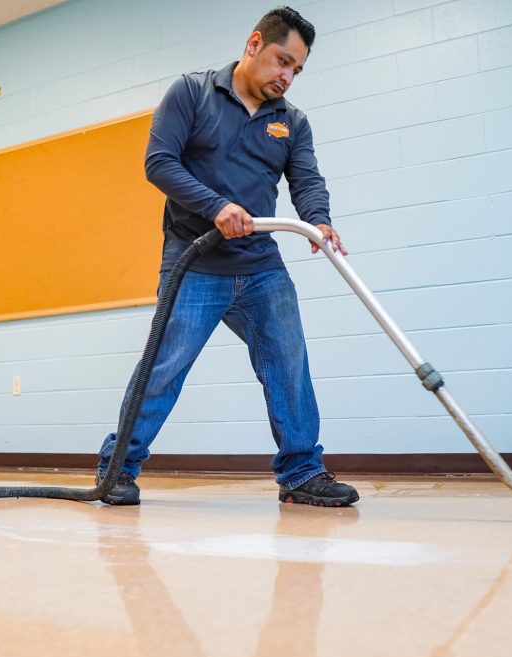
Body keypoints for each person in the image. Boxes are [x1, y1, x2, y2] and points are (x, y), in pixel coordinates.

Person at [96, 6, 359, 508]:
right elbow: (159, 163)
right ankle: (116, 470)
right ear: (254, 44)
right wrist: (216, 206)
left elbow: (306, 180)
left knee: (288, 363)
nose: (287, 76)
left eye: (297, 70)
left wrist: (319, 219)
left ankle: (302, 472)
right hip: (194, 261)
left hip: (260, 266)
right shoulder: (192, 93)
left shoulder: (292, 123)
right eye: (283, 60)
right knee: (164, 367)